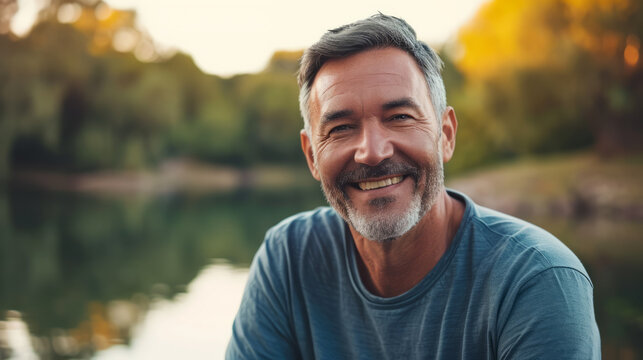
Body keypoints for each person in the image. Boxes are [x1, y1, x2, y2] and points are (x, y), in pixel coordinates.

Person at [226, 14, 600, 359]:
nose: (372, 152)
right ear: (311, 155)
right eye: (340, 128)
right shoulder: (288, 260)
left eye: (400, 117)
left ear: (446, 135)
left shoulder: (537, 280)